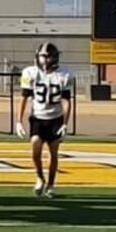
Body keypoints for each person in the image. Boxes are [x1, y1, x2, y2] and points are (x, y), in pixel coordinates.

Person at [17, 42, 74, 197]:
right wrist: (18, 121)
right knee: (35, 149)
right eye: (42, 56)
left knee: (53, 153)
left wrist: (65, 123)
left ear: (54, 57)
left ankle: (50, 185)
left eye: (48, 56)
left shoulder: (65, 74)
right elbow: (24, 98)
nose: (45, 59)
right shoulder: (30, 72)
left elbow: (67, 101)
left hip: (55, 117)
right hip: (37, 117)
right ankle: (39, 178)